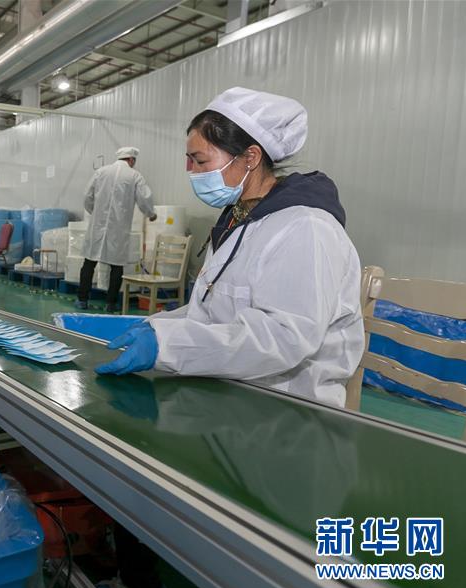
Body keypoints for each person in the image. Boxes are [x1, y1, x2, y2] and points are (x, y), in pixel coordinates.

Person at [96, 87, 364, 408]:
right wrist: (157, 326)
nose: (190, 171)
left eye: (200, 160)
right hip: (230, 392)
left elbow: (284, 338)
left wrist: (168, 345)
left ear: (250, 157)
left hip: (289, 406)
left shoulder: (305, 227)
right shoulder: (238, 221)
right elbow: (213, 311)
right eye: (189, 160)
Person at [77, 147, 157, 313]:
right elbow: (144, 197)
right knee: (116, 266)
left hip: (97, 226)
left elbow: (87, 196)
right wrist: (151, 214)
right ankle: (110, 304)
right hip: (118, 229)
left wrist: (95, 212)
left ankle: (82, 300)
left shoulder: (101, 172)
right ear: (131, 160)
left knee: (89, 263)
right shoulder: (134, 176)